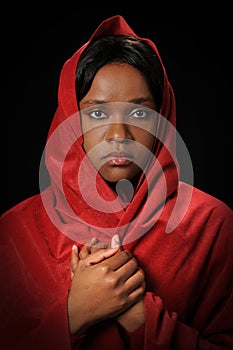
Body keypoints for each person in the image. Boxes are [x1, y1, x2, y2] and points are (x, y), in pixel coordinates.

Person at [0, 14, 232, 350]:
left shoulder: (212, 225)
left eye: (140, 113)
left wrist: (140, 316)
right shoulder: (15, 231)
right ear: (69, 117)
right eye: (96, 114)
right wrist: (72, 316)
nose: (118, 135)